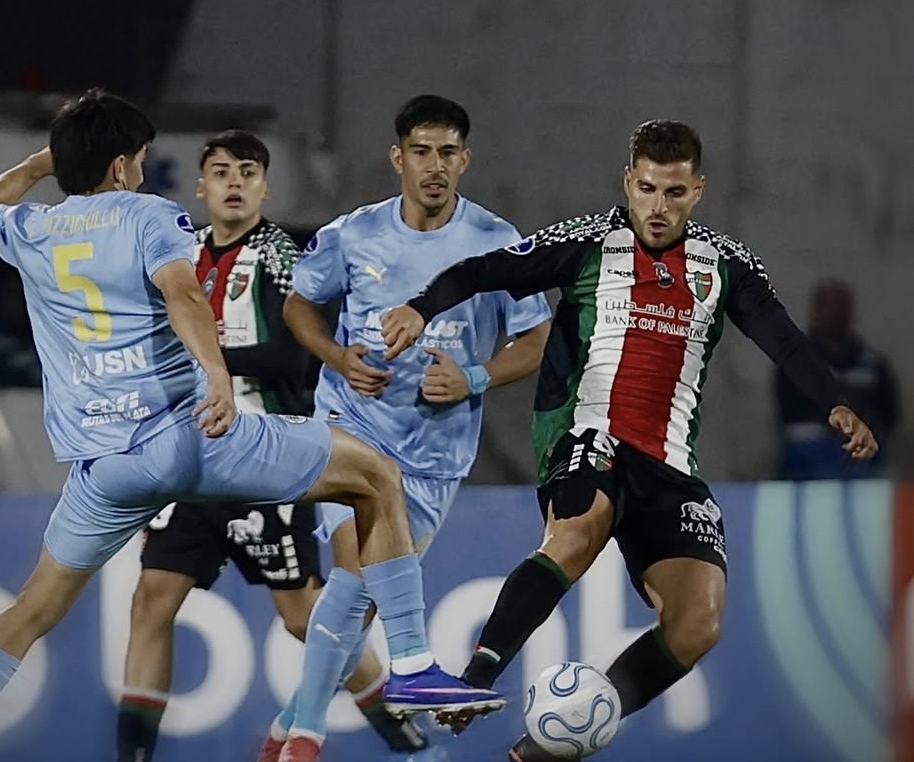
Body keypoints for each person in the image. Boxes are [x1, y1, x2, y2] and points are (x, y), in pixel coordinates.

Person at [0, 88, 503, 762]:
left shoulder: (33, 229)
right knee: (376, 475)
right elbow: (184, 293)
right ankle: (413, 664)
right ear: (124, 166)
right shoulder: (150, 215)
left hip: (103, 468)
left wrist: (44, 163)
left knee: (35, 606)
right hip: (193, 441)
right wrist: (216, 377)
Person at [381, 119, 879, 761]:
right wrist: (422, 306)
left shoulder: (724, 263)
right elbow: (483, 271)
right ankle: (474, 679)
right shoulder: (587, 242)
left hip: (670, 464)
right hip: (588, 434)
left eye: (674, 193)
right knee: (578, 530)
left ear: (697, 191)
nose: (658, 207)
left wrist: (836, 402)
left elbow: (781, 337)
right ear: (628, 182)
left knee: (698, 624)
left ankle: (566, 734)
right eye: (646, 189)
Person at [115, 130, 430, 761]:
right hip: (189, 463)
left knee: (301, 618)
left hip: (263, 456)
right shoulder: (181, 257)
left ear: (265, 187)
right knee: (152, 600)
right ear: (199, 187)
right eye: (222, 172)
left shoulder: (280, 254)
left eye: (249, 172)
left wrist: (208, 361)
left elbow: (294, 354)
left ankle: (410, 740)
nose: (234, 183)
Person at [259, 94, 552, 762]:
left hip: (433, 455)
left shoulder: (497, 243)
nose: (434, 166)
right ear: (399, 158)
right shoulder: (353, 234)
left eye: (448, 152)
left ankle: (288, 730)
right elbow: (300, 304)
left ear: (465, 160)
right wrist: (336, 357)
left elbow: (536, 338)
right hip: (351, 422)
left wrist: (474, 378)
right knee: (353, 572)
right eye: (421, 151)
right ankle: (306, 739)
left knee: (359, 599)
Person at [775, 277, 899, 479]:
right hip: (807, 459)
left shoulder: (872, 364)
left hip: (860, 458)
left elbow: (889, 414)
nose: (834, 313)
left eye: (840, 306)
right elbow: (789, 411)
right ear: (815, 310)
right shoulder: (794, 362)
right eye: (827, 305)